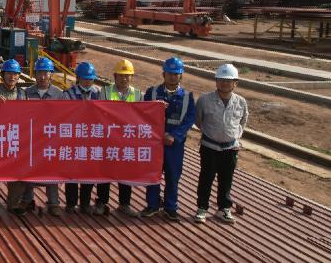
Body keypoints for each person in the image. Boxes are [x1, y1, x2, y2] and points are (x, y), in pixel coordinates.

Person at [142, 57, 196, 221]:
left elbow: (189, 119)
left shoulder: (187, 97)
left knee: (173, 176)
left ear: (181, 76)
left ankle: (170, 207)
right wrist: (158, 135)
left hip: (174, 145)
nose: (173, 77)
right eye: (170, 73)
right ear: (163, 74)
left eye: (176, 74)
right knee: (153, 175)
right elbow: (143, 115)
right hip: (154, 143)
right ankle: (152, 204)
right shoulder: (152, 93)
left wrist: (174, 136)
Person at [194, 63, 248, 225]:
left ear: (235, 83)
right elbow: (198, 120)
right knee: (206, 178)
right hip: (210, 147)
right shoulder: (204, 100)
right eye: (221, 80)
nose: (225, 83)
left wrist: (234, 137)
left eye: (229, 80)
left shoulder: (241, 102)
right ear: (216, 81)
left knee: (226, 179)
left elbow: (243, 121)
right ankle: (202, 208)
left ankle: (223, 208)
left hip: (230, 148)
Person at [21, 57, 66, 215]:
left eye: (45, 73)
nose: (42, 77)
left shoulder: (60, 95)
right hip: (32, 139)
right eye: (39, 73)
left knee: (51, 169)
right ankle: (27, 199)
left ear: (51, 75)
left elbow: (67, 116)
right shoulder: (27, 93)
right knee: (29, 167)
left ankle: (53, 202)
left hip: (51, 139)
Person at [0, 59, 27, 217]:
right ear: (3, 75)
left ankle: (13, 203)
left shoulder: (24, 94)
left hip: (18, 138)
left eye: (15, 74)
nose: (12, 77)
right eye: (9, 73)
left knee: (18, 172)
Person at [100, 59, 141, 217]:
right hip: (108, 140)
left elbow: (143, 116)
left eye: (127, 76)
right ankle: (101, 202)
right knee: (105, 173)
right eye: (121, 75)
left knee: (126, 173)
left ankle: (124, 204)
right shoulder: (105, 92)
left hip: (127, 142)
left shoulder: (138, 94)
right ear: (115, 76)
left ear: (131, 77)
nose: (124, 79)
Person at [63, 61, 103, 213]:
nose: (87, 81)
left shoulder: (99, 93)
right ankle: (71, 203)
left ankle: (85, 203)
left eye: (90, 78)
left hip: (92, 139)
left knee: (89, 171)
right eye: (84, 78)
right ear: (77, 77)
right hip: (73, 138)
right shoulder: (68, 94)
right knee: (72, 172)